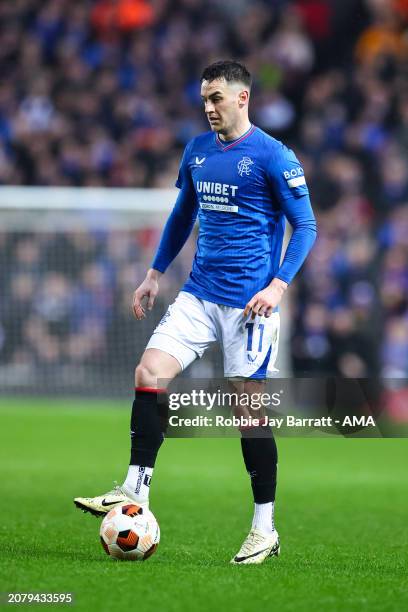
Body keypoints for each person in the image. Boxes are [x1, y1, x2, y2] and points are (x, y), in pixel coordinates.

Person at [74, 60, 317, 564]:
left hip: (250, 305)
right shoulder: (197, 150)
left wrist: (278, 285)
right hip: (199, 293)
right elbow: (183, 213)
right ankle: (134, 491)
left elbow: (307, 226)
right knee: (148, 371)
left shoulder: (274, 156)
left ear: (242, 98)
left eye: (217, 99)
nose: (208, 108)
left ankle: (264, 529)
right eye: (204, 99)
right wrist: (154, 273)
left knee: (248, 413)